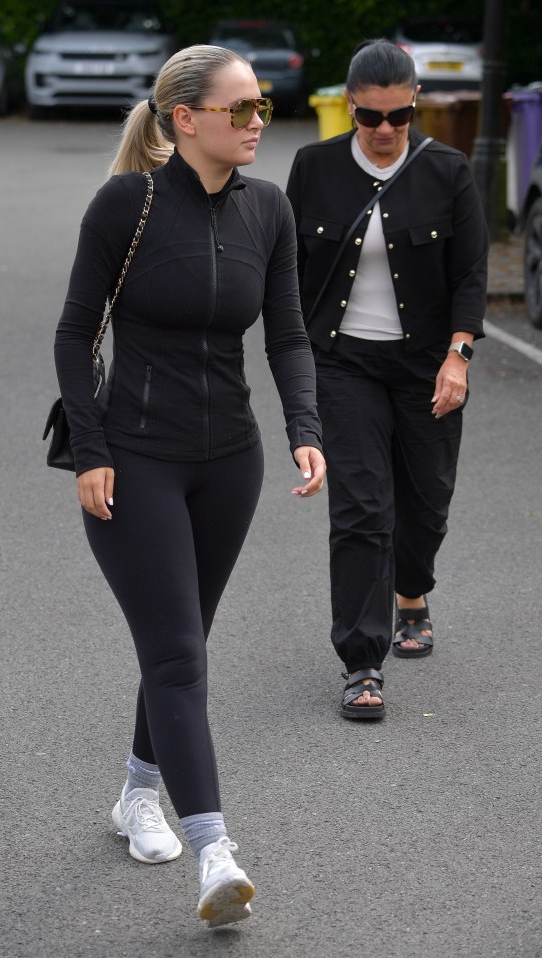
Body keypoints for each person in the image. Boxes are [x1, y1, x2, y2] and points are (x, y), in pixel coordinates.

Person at [53, 44, 325, 927]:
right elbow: (72, 333)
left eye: (261, 110)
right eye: (239, 109)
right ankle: (214, 850)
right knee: (176, 655)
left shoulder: (269, 210)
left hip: (228, 464)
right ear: (185, 119)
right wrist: (90, 449)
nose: (255, 122)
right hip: (134, 460)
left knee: (183, 645)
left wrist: (305, 431)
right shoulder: (125, 206)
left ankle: (137, 793)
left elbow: (286, 334)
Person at [286, 39, 488, 720]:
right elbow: (285, 272)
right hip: (342, 363)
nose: (382, 131)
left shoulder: (448, 171)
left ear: (414, 108)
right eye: (369, 117)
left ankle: (412, 592)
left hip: (425, 361)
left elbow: (469, 274)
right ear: (349, 106)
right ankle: (361, 662)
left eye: (398, 117)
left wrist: (458, 355)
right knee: (362, 508)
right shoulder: (313, 168)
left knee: (425, 500)